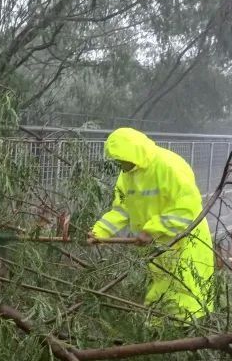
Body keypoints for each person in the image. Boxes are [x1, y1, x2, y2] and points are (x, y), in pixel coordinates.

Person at [89, 127, 214, 318]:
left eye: (122, 160)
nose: (121, 165)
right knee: (160, 292)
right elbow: (122, 209)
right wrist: (100, 232)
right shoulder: (127, 175)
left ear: (134, 153)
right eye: (118, 161)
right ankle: (160, 330)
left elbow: (188, 208)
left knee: (186, 294)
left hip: (185, 242)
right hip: (156, 246)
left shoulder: (169, 166)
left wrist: (151, 231)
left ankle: (190, 332)